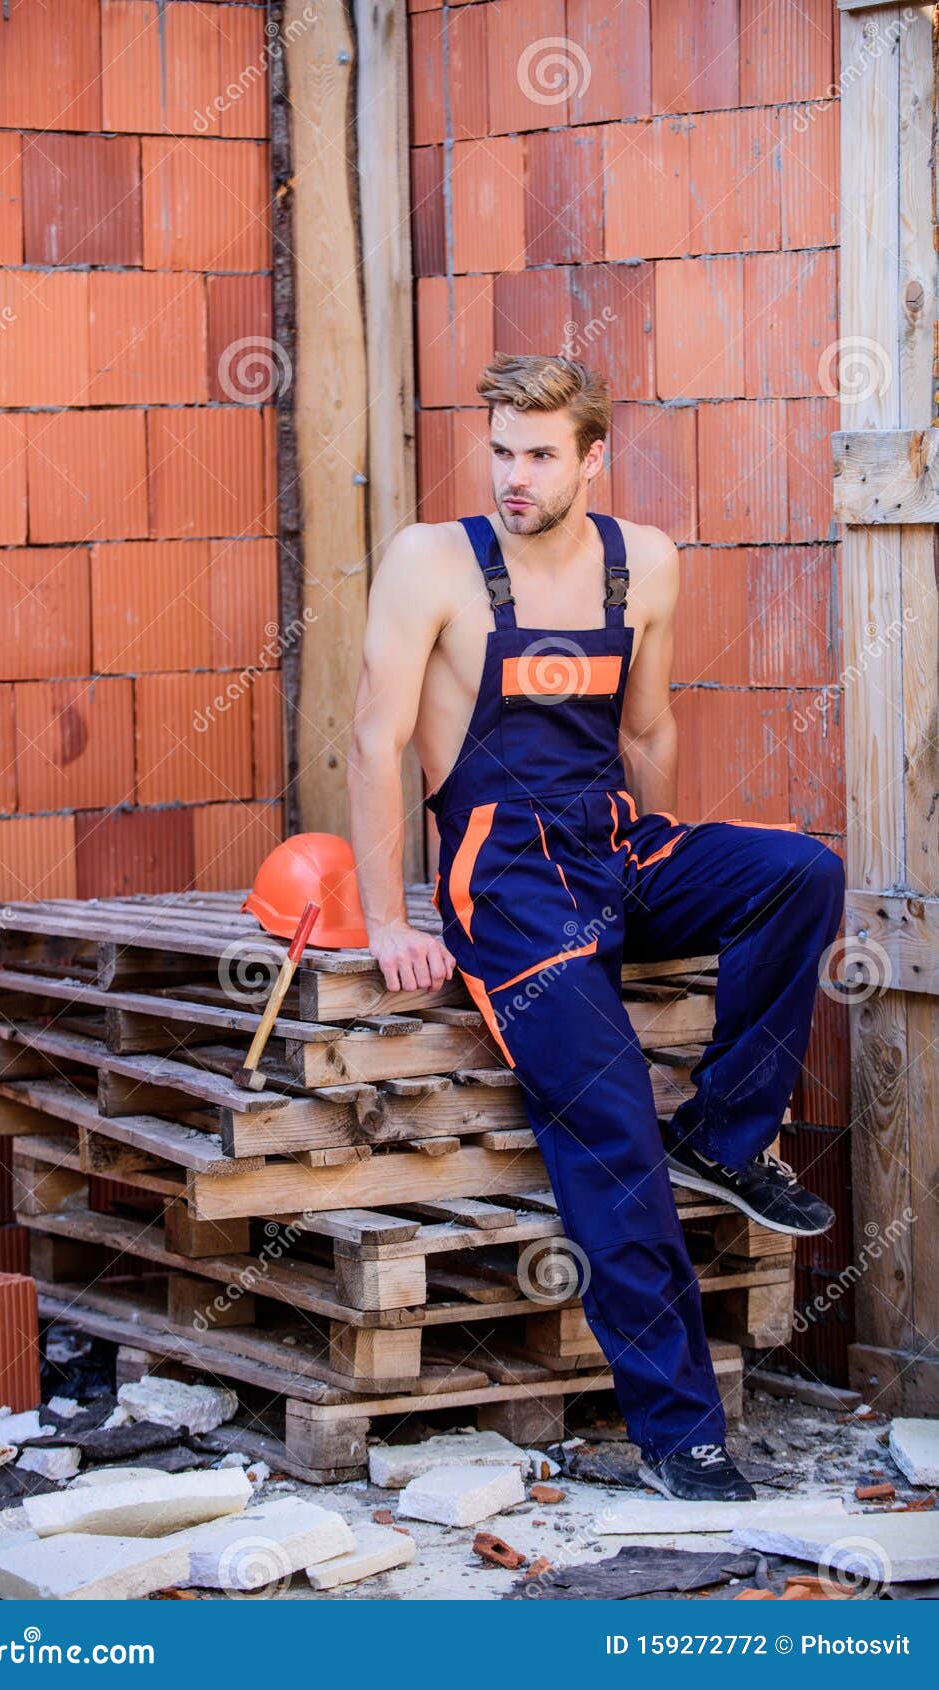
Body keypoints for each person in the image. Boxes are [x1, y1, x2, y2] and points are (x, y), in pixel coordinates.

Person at [346, 352, 846, 1501]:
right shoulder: (434, 561)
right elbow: (376, 739)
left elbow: (651, 732)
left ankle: (723, 1134)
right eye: (500, 450)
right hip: (505, 875)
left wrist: (655, 876)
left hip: (610, 842)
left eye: (538, 454)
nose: (512, 476)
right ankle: (682, 1431)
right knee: (612, 1114)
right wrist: (387, 921)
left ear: (592, 457)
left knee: (799, 873)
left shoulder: (645, 563)